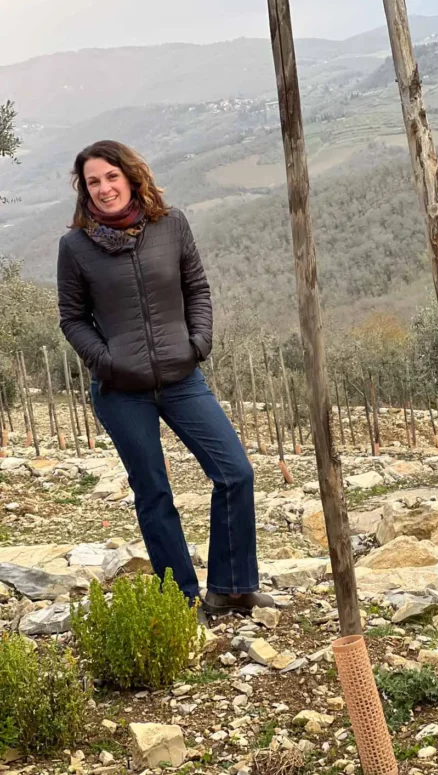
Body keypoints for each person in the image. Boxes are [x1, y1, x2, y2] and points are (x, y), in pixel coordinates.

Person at [57, 140, 274, 626]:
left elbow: (196, 286)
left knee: (235, 473)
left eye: (111, 177)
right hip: (120, 391)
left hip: (183, 378)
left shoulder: (170, 224)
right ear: (84, 189)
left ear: (130, 177)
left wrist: (198, 343)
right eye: (93, 182)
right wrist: (106, 362)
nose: (104, 188)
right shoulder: (74, 246)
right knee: (153, 492)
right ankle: (182, 602)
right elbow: (72, 318)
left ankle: (233, 588)